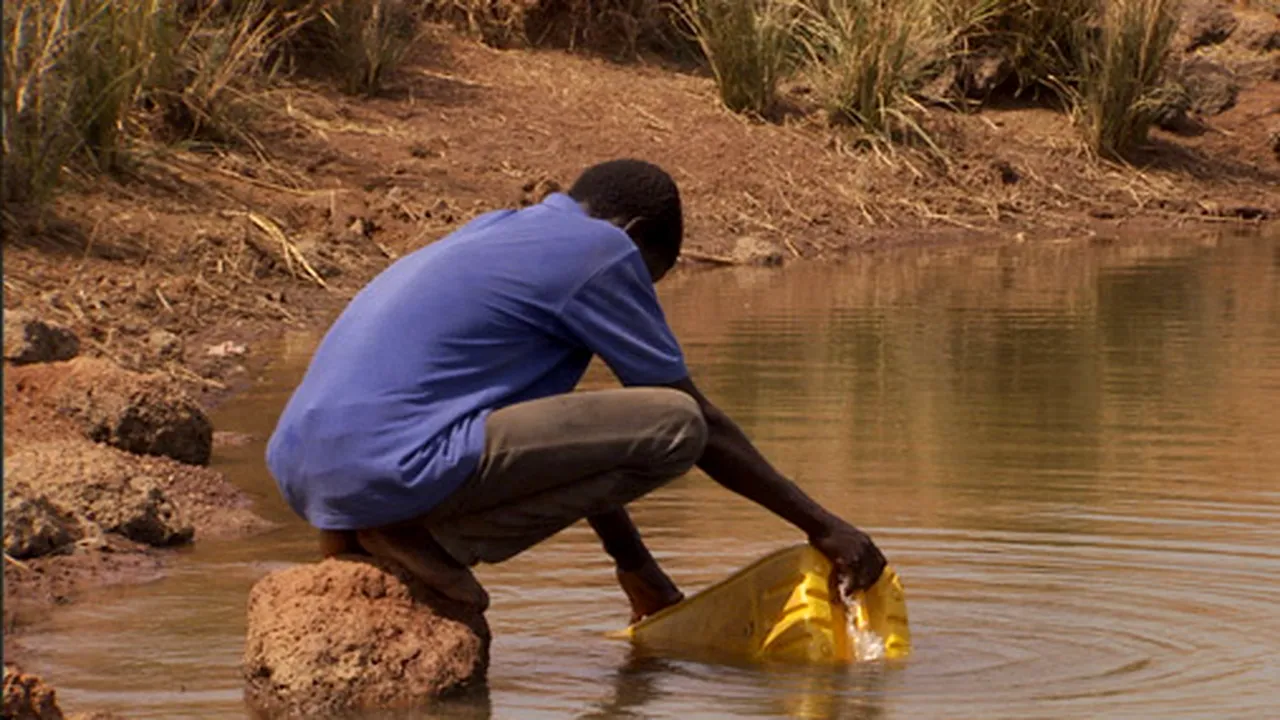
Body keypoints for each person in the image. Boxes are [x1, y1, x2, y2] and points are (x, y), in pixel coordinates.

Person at [265, 158, 887, 622]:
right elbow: (694, 423)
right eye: (652, 279)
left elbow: (567, 445)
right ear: (632, 231)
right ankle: (423, 537)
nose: (642, 294)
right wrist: (824, 527)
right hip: (390, 464)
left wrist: (635, 566)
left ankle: (366, 530)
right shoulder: (602, 251)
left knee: (647, 423)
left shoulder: (499, 230)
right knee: (677, 425)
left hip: (306, 467)